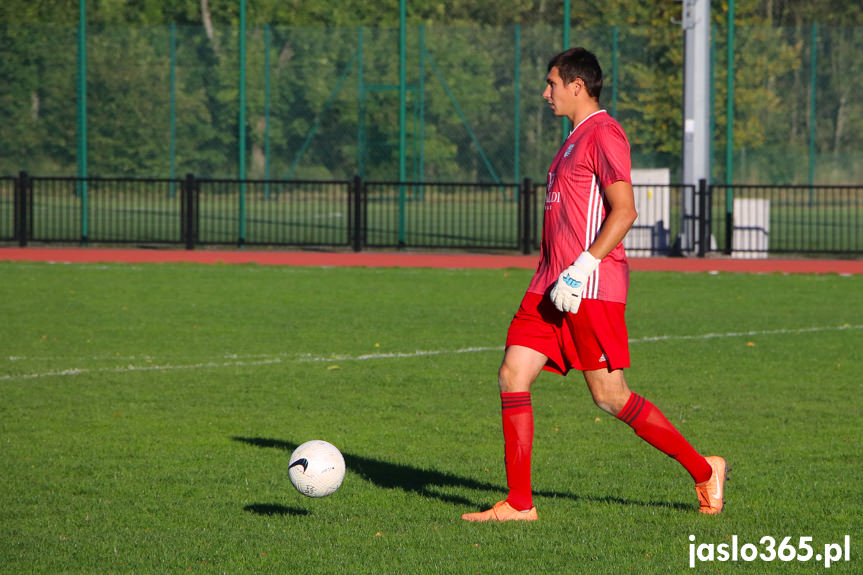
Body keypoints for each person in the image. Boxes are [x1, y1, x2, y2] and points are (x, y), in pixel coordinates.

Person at [461, 47, 725, 522]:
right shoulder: (571, 140)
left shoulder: (604, 133)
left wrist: (582, 267)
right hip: (549, 286)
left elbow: (625, 211)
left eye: (552, 84)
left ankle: (704, 469)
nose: (546, 93)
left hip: (590, 286)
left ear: (577, 86)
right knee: (511, 375)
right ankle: (520, 504)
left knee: (609, 396)